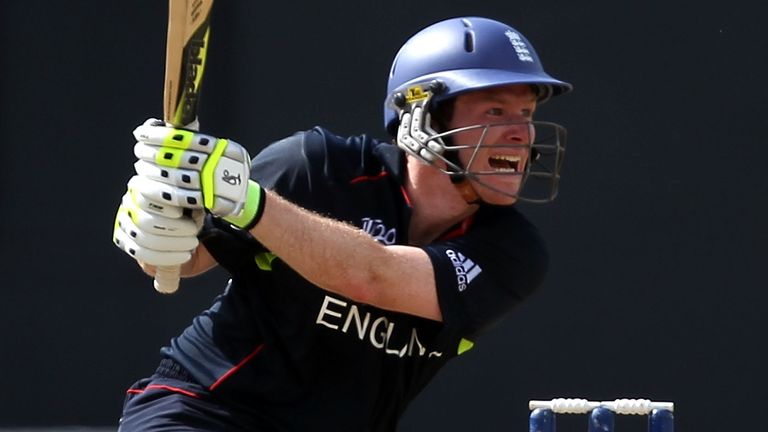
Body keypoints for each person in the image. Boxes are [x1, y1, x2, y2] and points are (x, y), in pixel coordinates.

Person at [112, 16, 572, 431]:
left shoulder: (513, 251)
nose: (521, 133)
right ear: (422, 115)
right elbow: (184, 261)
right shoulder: (316, 166)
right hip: (204, 409)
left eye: (526, 114)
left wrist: (248, 202)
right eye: (495, 111)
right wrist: (157, 224)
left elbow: (375, 276)